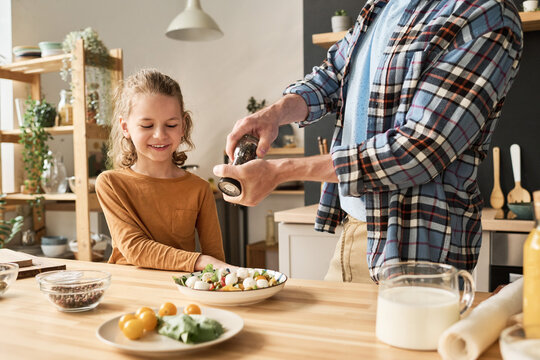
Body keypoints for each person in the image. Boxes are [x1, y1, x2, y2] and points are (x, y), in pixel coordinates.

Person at [213, 0, 523, 283]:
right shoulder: (383, 4)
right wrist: (275, 113)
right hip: (353, 230)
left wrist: (280, 171)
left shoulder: (484, 14)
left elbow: (417, 150)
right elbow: (333, 74)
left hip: (417, 250)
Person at [96, 69, 230, 272]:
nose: (160, 135)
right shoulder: (111, 184)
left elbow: (216, 260)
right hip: (128, 293)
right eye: (147, 125)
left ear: (183, 126)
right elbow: (135, 249)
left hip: (180, 294)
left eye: (171, 124)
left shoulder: (200, 189)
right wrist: (200, 261)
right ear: (125, 127)